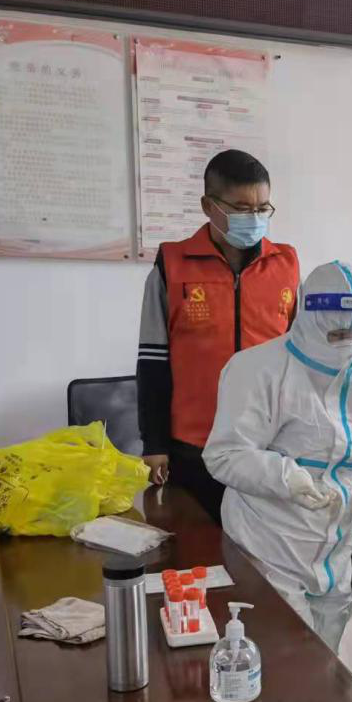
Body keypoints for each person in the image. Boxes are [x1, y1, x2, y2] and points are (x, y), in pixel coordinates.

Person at [203, 261, 352, 651]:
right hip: (269, 542)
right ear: (309, 318)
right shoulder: (258, 370)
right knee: (284, 653)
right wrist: (288, 478)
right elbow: (225, 455)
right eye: (338, 333)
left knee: (326, 652)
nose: (349, 344)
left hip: (336, 544)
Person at [137, 149, 299, 524]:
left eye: (262, 208)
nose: (254, 218)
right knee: (197, 545)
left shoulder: (286, 266)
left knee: (261, 549)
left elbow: (300, 359)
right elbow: (152, 362)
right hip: (194, 445)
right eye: (241, 209)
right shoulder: (172, 266)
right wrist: (154, 443)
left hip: (267, 446)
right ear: (209, 206)